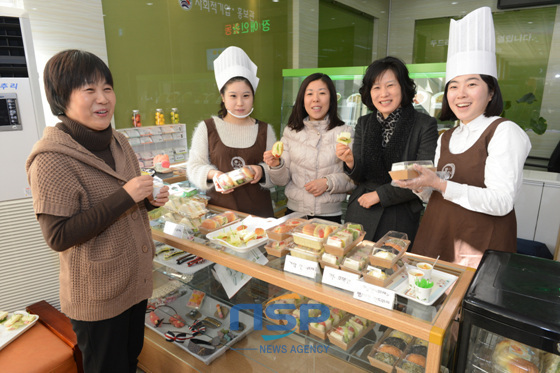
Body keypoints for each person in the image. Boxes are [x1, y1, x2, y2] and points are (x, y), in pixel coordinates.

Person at [26, 50, 170, 373]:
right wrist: (125, 196)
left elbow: (130, 198)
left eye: (107, 88)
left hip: (133, 285)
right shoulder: (51, 158)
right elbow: (59, 235)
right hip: (98, 298)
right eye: (89, 90)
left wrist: (149, 200)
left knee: (130, 361)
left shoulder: (119, 141)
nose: (102, 98)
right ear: (62, 98)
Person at [394, 7, 531, 267]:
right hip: (436, 235)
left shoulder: (504, 131)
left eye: (472, 84)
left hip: (478, 246)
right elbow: (438, 190)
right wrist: (421, 186)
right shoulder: (447, 135)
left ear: (491, 92)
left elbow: (501, 202)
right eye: (453, 86)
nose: (461, 94)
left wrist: (441, 185)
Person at [336, 57, 438, 242]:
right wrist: (350, 161)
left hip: (400, 213)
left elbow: (423, 177)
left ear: (403, 87)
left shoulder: (424, 124)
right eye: (376, 87)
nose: (383, 93)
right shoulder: (364, 123)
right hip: (362, 209)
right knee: (353, 263)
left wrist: (380, 195)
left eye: (390, 85)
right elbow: (359, 177)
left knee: (389, 266)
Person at [187, 46, 276, 217]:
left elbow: (277, 171)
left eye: (246, 96)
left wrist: (260, 171)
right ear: (223, 97)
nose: (240, 103)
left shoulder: (265, 130)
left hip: (259, 215)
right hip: (220, 213)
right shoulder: (207, 128)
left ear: (253, 96)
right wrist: (215, 175)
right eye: (233, 96)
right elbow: (194, 167)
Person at [263, 73, 354, 223]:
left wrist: (328, 182)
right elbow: (282, 180)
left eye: (322, 93)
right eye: (309, 93)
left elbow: (354, 178)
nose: (315, 99)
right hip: (295, 213)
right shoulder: (291, 132)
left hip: (330, 217)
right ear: (302, 100)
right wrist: (276, 165)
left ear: (331, 99)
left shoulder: (345, 132)